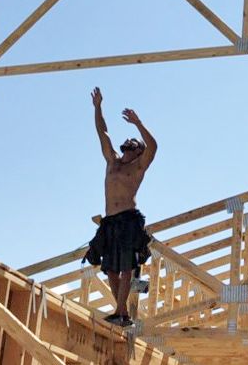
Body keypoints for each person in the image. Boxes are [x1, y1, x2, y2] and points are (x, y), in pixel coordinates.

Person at [84, 87, 157, 326]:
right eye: (125, 144)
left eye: (131, 145)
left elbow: (154, 147)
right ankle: (121, 312)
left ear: (138, 152)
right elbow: (102, 132)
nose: (126, 146)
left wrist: (138, 124)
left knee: (127, 268)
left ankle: (121, 311)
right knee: (110, 269)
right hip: (110, 221)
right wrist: (98, 107)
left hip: (128, 219)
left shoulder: (137, 168)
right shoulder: (112, 161)